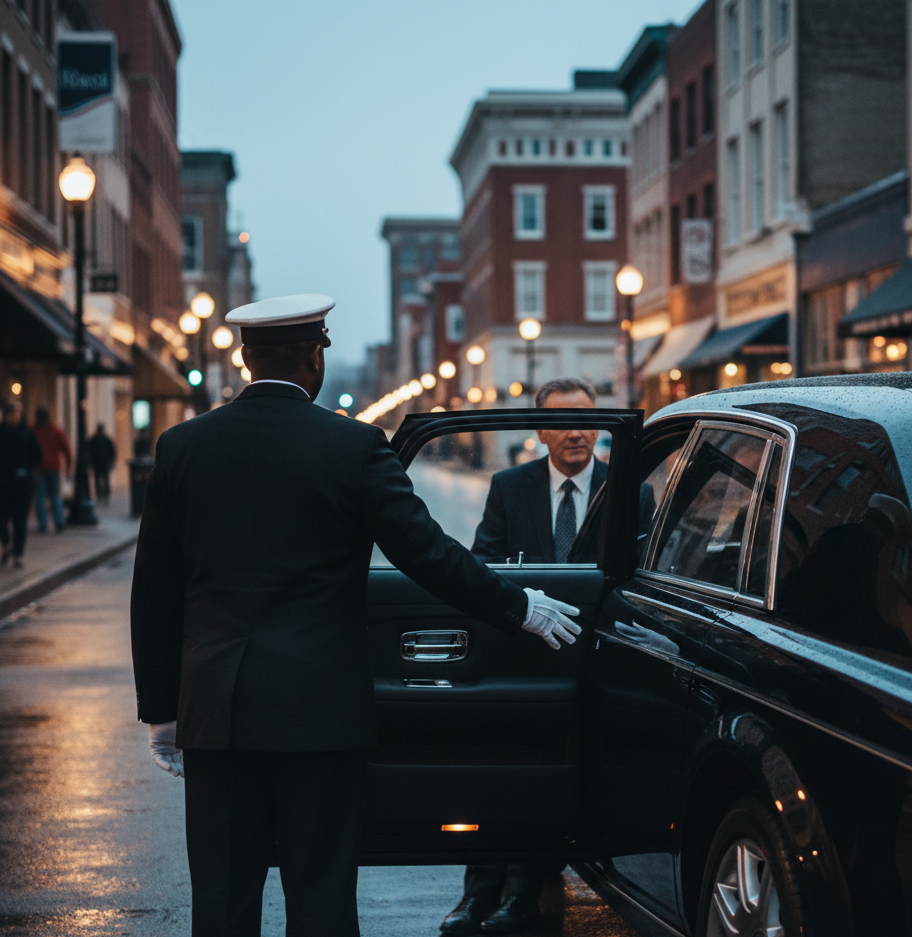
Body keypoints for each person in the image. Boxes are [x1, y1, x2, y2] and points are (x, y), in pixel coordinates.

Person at [130, 294, 583, 937]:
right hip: (319, 710)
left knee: (223, 900)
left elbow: (155, 589)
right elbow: (428, 555)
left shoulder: (181, 448)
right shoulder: (353, 446)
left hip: (216, 709)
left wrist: (161, 710)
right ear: (317, 355)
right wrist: (520, 607)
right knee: (320, 898)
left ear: (244, 357)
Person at [442, 378, 654, 935]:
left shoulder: (630, 491)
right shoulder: (510, 487)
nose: (577, 432)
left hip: (599, 661)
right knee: (504, 770)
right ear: (541, 431)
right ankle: (476, 895)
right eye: (562, 421)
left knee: (560, 775)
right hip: (527, 657)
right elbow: (483, 565)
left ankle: (525, 893)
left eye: (587, 420)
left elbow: (641, 577)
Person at [0, 400, 42, 570]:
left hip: (22, 482)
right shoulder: (1, 433)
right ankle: (7, 542)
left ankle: (18, 553)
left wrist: (28, 470)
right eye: (11, 413)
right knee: (1, 516)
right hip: (3, 481)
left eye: (16, 414)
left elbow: (37, 455)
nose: (14, 417)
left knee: (20, 519)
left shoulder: (27, 432)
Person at [32, 407, 72, 533]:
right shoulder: (56, 431)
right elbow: (67, 450)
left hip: (39, 469)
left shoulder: (34, 431)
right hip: (54, 468)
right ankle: (59, 521)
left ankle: (43, 524)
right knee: (55, 496)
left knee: (40, 497)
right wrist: (68, 467)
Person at [88, 423, 116, 501]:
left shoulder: (95, 440)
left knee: (101, 479)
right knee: (104, 479)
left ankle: (102, 494)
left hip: (99, 463)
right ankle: (103, 494)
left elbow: (112, 452)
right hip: (102, 463)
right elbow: (112, 452)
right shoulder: (105, 440)